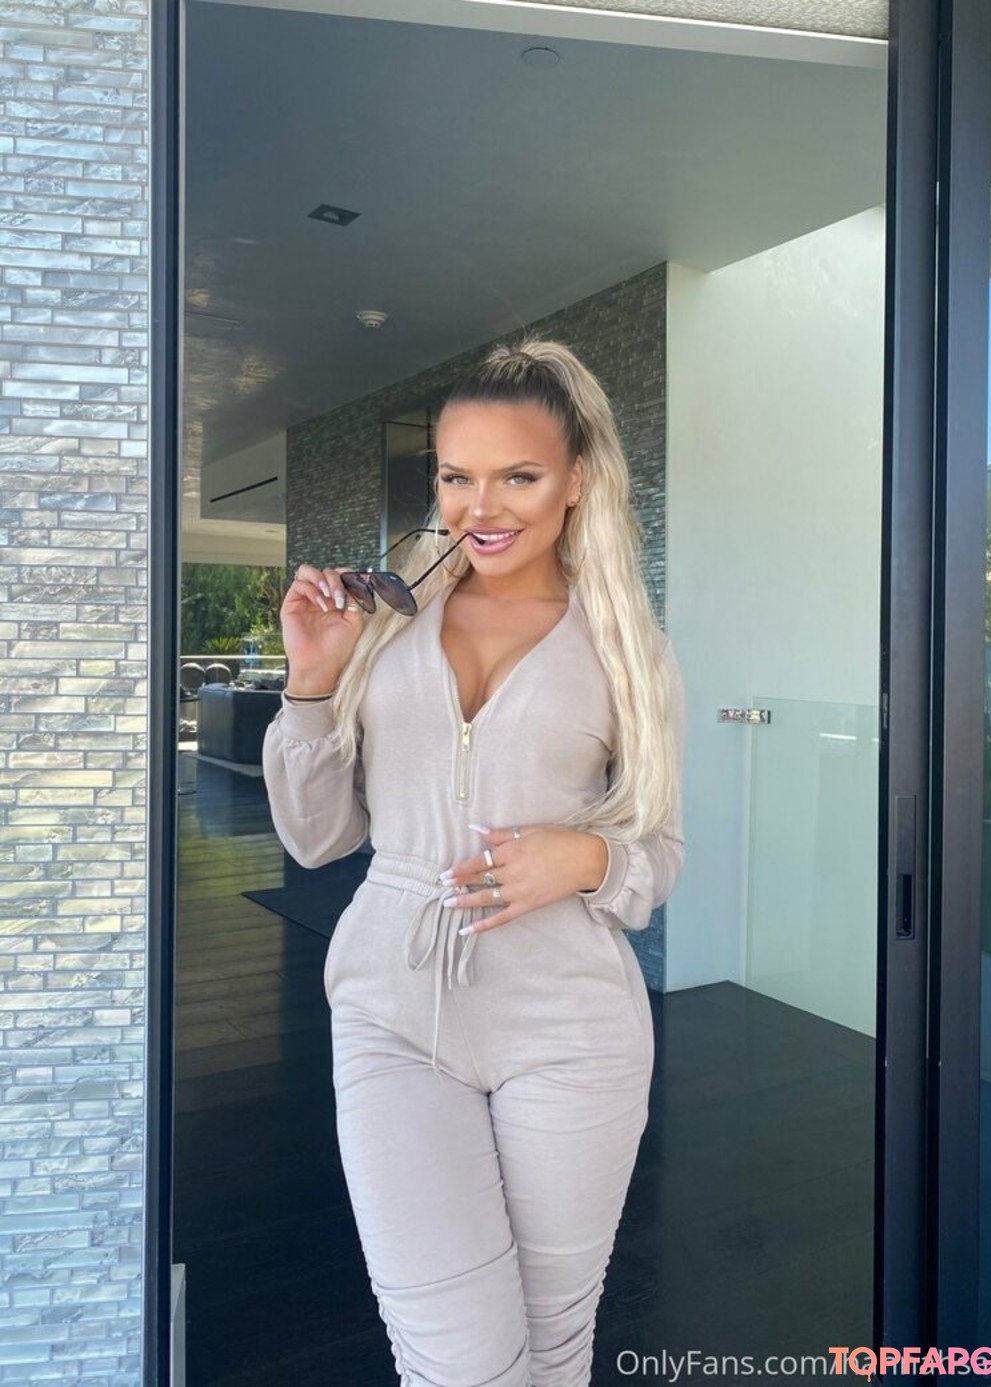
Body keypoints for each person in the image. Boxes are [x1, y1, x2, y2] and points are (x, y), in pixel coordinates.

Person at [263, 339, 686, 1386]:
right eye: (457, 475)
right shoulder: (382, 627)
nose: (479, 507)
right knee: (456, 1360)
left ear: (576, 478)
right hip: (392, 1007)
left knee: (555, 1346)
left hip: (571, 1023)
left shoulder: (623, 643)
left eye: (518, 476)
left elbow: (658, 853)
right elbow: (317, 838)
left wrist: (581, 858)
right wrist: (311, 684)